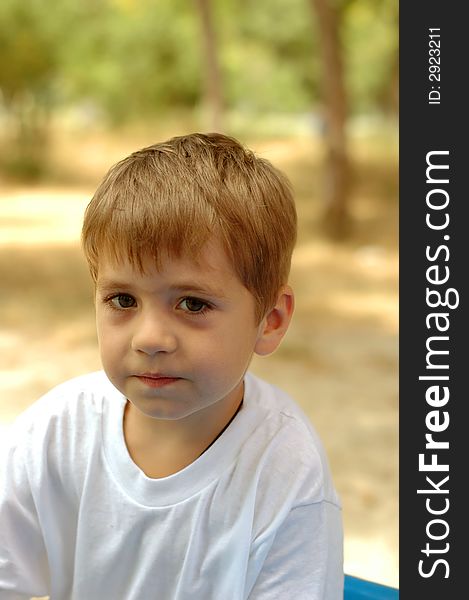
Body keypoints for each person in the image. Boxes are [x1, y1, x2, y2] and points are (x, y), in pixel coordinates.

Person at [0, 133, 343, 599]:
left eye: (193, 304)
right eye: (123, 300)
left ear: (270, 320)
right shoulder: (57, 431)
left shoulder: (283, 469)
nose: (151, 339)